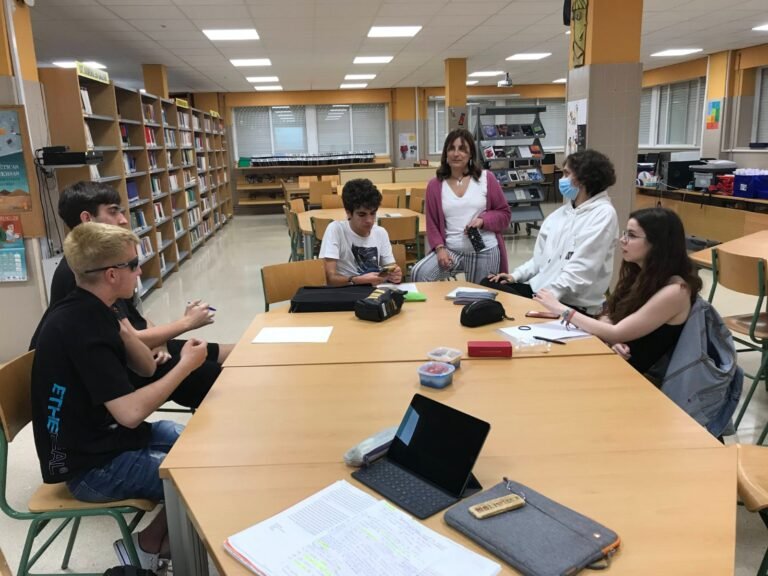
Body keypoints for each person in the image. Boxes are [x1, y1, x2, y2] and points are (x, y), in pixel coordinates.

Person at [31, 222, 209, 569]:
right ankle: (155, 546)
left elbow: (144, 369)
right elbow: (130, 413)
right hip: (89, 467)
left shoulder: (99, 308)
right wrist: (185, 365)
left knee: (198, 446)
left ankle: (154, 543)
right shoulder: (80, 326)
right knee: (194, 475)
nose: (140, 271)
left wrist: (125, 332)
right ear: (112, 274)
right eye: (133, 265)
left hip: (109, 440)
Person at [33, 180, 232, 409]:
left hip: (133, 352)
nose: (124, 219)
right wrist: (186, 323)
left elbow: (135, 321)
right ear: (87, 219)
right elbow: (123, 340)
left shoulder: (107, 262)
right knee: (212, 378)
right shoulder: (85, 274)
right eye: (113, 211)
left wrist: (162, 342)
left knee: (217, 352)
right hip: (112, 365)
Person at [533, 207, 702, 376]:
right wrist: (611, 339)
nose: (622, 240)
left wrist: (561, 309)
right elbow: (612, 314)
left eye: (632, 235)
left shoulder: (676, 291)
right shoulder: (641, 273)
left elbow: (618, 332)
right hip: (618, 362)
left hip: (643, 378)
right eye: (624, 233)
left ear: (658, 243)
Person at [481, 149, 619, 316]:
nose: (561, 179)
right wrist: (515, 276)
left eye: (566, 174)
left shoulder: (603, 214)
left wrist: (547, 301)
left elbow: (582, 270)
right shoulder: (561, 214)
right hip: (543, 292)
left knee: (501, 305)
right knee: (489, 284)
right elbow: (540, 260)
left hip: (569, 303)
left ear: (584, 179)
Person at [410, 128, 511, 284]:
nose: (456, 154)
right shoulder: (435, 185)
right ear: (445, 153)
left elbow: (504, 214)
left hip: (484, 249)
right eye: (451, 148)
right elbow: (432, 224)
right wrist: (439, 248)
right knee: (419, 273)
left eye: (462, 149)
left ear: (470, 154)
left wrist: (483, 221)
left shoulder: (486, 178)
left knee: (480, 299)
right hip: (451, 251)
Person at [320, 178, 403, 286]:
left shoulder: (381, 232)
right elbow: (329, 278)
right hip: (345, 293)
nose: (369, 220)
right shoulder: (335, 229)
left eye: (373, 213)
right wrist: (356, 280)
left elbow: (391, 267)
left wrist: (395, 275)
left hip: (375, 294)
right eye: (362, 215)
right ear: (348, 213)